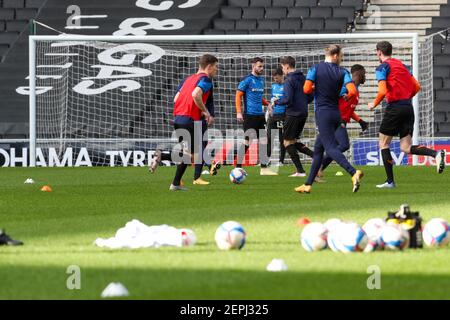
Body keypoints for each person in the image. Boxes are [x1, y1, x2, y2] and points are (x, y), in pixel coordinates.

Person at [369, 41, 445, 188]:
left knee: (384, 144)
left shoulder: (382, 67)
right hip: (407, 107)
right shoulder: (401, 65)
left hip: (395, 108)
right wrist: (405, 96)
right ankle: (436, 154)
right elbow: (417, 86)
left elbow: (382, 91)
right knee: (405, 147)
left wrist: (374, 104)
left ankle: (390, 181)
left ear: (379, 52)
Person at [295, 44, 364, 194]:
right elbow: (352, 91)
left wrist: (315, 88)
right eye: (341, 56)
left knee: (331, 148)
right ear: (335, 55)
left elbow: (306, 89)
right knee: (319, 149)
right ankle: (307, 184)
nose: (341, 59)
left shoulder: (315, 69)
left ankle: (353, 172)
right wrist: (347, 96)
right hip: (336, 113)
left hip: (323, 113)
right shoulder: (343, 71)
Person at [169, 54, 218, 191]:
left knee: (188, 153)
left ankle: (175, 184)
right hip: (191, 119)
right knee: (196, 151)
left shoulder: (188, 79)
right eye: (215, 67)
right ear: (209, 67)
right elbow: (196, 94)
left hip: (178, 118)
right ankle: (202, 171)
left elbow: (175, 98)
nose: (216, 70)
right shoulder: (206, 79)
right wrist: (206, 111)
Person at [317, 64, 369, 180]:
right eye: (363, 73)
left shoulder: (356, 90)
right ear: (357, 74)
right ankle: (319, 167)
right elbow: (335, 97)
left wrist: (360, 121)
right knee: (344, 145)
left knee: (332, 148)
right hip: (336, 121)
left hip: (341, 121)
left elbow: (349, 109)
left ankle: (317, 170)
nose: (365, 76)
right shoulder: (347, 87)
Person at [270, 56, 314, 177]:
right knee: (293, 141)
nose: (282, 70)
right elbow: (310, 97)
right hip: (303, 113)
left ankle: (300, 171)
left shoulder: (289, 80)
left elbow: (287, 99)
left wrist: (276, 102)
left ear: (287, 66)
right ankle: (316, 157)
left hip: (293, 114)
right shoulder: (303, 78)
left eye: (282, 67)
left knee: (287, 142)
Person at [235, 57, 276, 175]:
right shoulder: (247, 80)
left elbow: (258, 97)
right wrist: (238, 111)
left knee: (263, 140)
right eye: (259, 66)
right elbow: (238, 95)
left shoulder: (261, 80)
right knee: (248, 141)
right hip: (250, 116)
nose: (262, 68)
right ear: (253, 65)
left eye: (263, 66)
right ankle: (237, 167)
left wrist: (267, 104)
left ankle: (263, 168)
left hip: (260, 116)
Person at [266, 68, 287, 165]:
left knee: (281, 138)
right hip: (273, 115)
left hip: (282, 115)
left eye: (277, 78)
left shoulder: (287, 86)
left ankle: (281, 161)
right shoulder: (273, 86)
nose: (275, 80)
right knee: (269, 137)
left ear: (282, 76)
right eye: (274, 78)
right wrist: (270, 107)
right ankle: (266, 159)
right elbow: (272, 99)